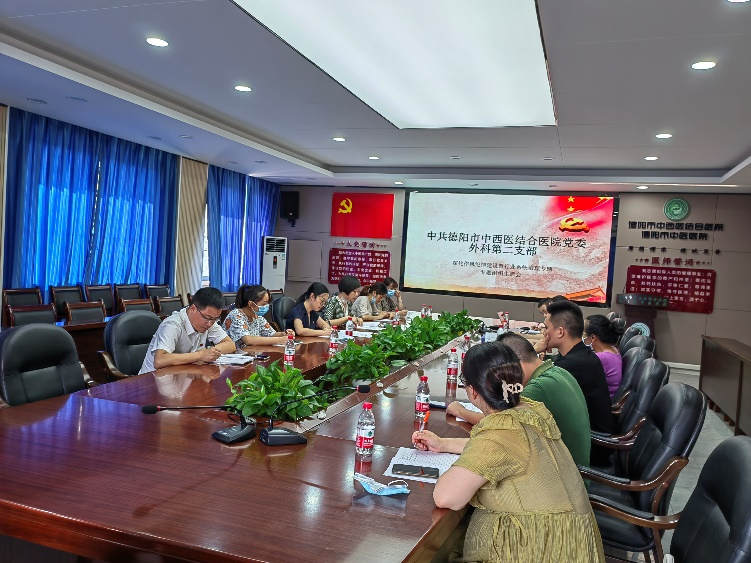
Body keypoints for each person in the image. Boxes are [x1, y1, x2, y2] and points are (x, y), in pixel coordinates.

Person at [413, 342, 604, 563]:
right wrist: (443, 444)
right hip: (570, 543)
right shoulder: (529, 410)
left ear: (473, 390)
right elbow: (503, 452)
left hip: (540, 550)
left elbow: (447, 497)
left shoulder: (502, 432)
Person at [447, 333, 591, 467]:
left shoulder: (537, 389)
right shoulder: (557, 371)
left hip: (560, 472)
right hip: (568, 469)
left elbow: (498, 427)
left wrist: (461, 412)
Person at [543, 300, 615, 436]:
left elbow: (534, 390)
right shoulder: (583, 354)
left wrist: (533, 351)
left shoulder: (570, 365)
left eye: (546, 327)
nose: (544, 333)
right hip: (591, 431)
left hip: (592, 440)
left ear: (560, 332)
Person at [139, 287, 235, 374]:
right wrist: (200, 355)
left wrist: (210, 352)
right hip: (152, 380)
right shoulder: (173, 324)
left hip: (182, 375)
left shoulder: (209, 321)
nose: (210, 324)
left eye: (215, 319)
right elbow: (160, 360)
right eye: (207, 318)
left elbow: (230, 345)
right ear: (193, 309)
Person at [224, 284, 295, 347]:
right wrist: (279, 340)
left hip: (253, 352)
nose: (267, 306)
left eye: (267, 303)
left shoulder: (257, 316)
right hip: (235, 355)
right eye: (264, 304)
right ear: (251, 304)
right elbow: (248, 340)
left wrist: (284, 334)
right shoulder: (236, 315)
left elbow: (271, 334)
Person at [584, 314, 625, 398]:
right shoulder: (613, 349)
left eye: (584, 334)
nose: (583, 338)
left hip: (601, 401)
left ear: (593, 337)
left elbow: (583, 380)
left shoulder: (602, 358)